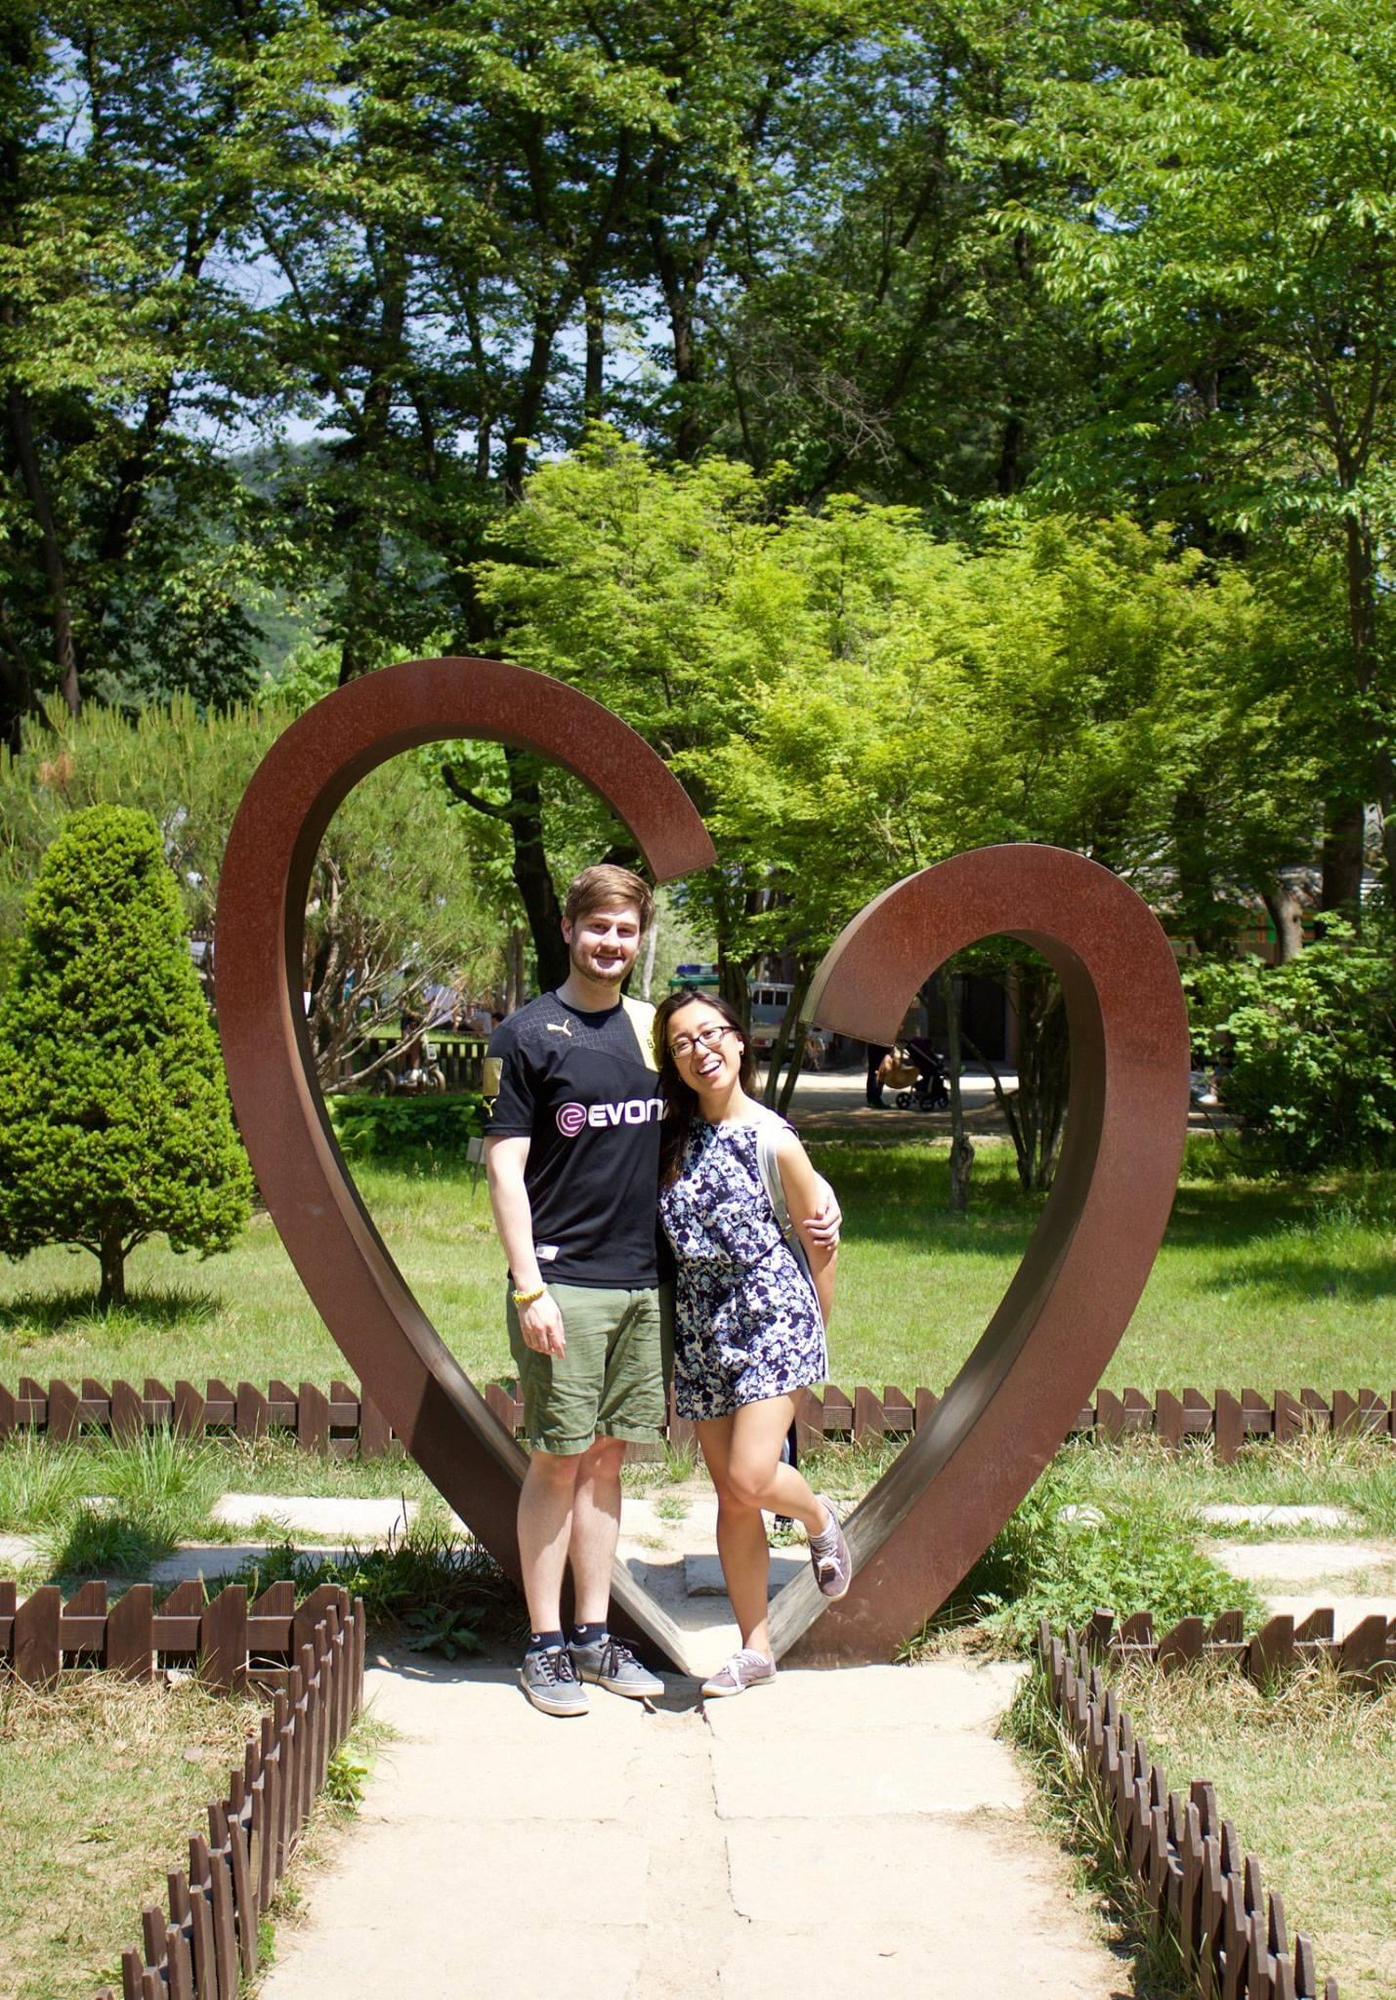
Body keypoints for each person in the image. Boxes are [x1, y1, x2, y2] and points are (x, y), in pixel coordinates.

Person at [484, 867, 839, 1717]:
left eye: (626, 930)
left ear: (640, 939)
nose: (611, 943)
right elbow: (504, 1165)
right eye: (597, 928)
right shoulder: (525, 1035)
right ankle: (545, 1646)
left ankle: (595, 1638)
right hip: (564, 1283)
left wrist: (816, 1204)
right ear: (569, 930)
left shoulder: (652, 1035)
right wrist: (529, 1285)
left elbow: (725, 1118)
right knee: (559, 1458)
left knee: (609, 1461)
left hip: (647, 1289)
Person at [654, 988, 851, 1698]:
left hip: (773, 1322)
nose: (701, 1051)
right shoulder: (670, 1141)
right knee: (732, 1498)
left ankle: (822, 1517)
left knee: (749, 1476)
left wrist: (811, 1336)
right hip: (704, 1332)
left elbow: (819, 1242)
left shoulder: (774, 1139)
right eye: (683, 1043)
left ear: (739, 1043)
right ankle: (754, 1648)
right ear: (671, 1063)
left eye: (711, 1035)